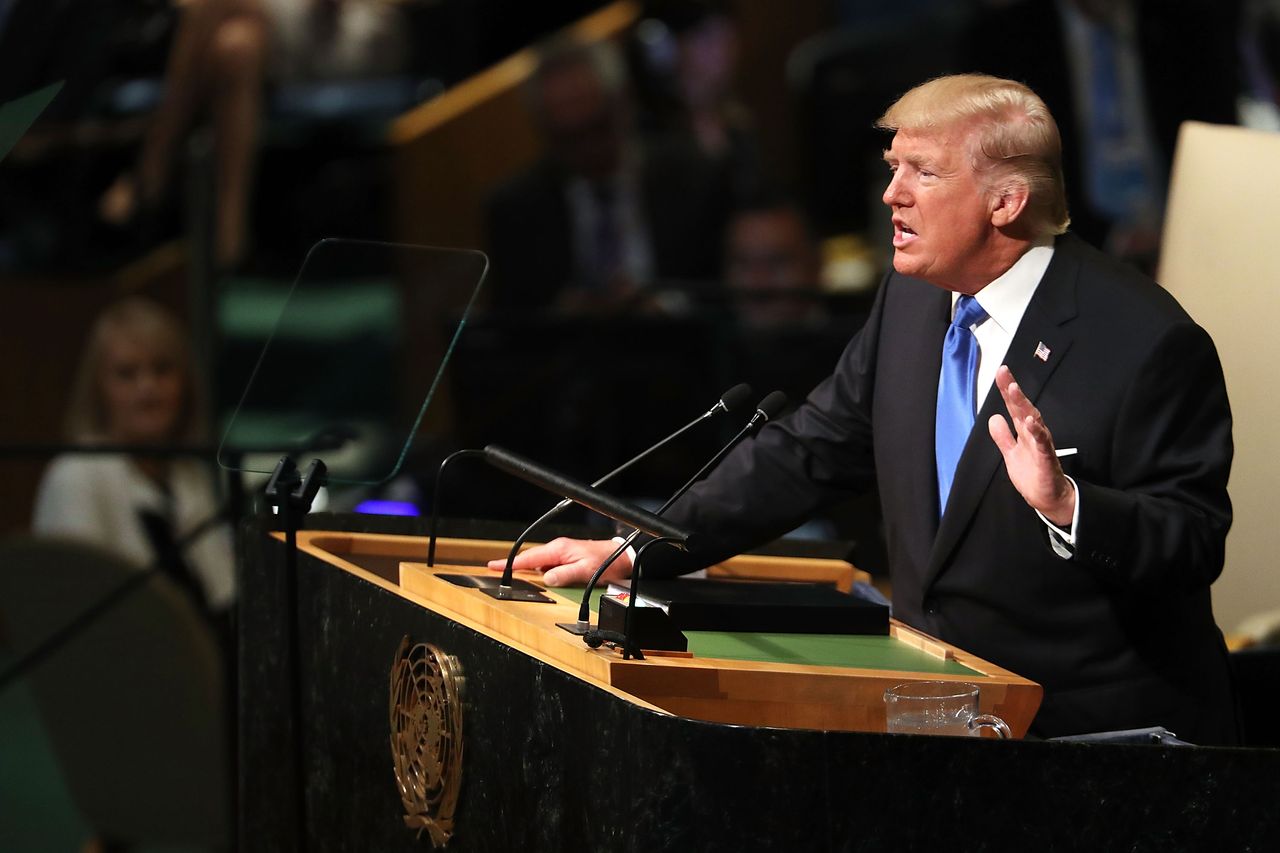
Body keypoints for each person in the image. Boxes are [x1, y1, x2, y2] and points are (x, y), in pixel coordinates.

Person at [492, 74, 1239, 744]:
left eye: (923, 172)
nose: (892, 194)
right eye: (892, 170)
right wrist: (636, 547)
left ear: (1006, 201)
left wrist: (1069, 502)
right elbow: (807, 449)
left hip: (1096, 748)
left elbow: (1193, 539)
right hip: (933, 720)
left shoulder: (1145, 341)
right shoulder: (912, 298)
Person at [98, 0, 408, 270]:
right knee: (236, 47)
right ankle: (229, 238)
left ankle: (153, 168)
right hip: (285, 28)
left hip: (356, 30)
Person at [484, 36, 730, 314]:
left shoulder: (694, 176)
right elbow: (510, 326)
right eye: (569, 138)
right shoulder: (516, 209)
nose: (587, 149)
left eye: (597, 128)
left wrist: (666, 310)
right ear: (543, 132)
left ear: (623, 104)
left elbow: (726, 291)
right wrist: (558, 318)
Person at [32, 296, 235, 621]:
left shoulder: (189, 475)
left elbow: (224, 594)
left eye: (162, 369)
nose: (148, 388)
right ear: (98, 389)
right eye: (127, 373)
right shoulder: (76, 476)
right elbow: (70, 611)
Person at [723, 195, 825, 329]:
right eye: (743, 264)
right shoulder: (706, 342)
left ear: (815, 266)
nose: (758, 284)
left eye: (777, 263)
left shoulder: (854, 345)